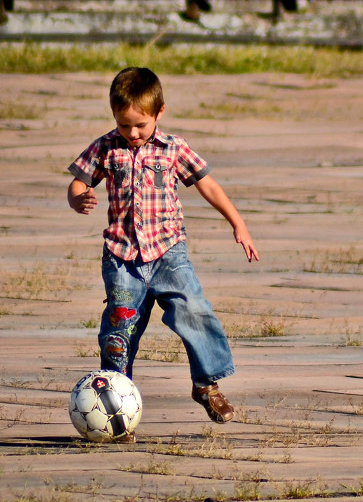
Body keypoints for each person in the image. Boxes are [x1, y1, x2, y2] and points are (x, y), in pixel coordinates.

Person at [67, 67, 259, 424]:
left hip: (169, 253)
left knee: (195, 310)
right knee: (119, 329)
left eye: (140, 124)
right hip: (122, 258)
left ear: (159, 113)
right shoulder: (105, 147)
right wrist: (78, 199)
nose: (133, 133)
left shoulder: (173, 148)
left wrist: (239, 224)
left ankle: (206, 385)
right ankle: (114, 404)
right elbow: (78, 184)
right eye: (124, 125)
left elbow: (209, 185)